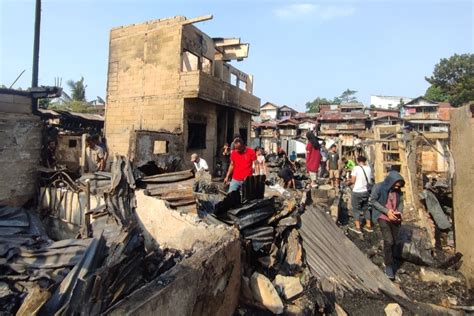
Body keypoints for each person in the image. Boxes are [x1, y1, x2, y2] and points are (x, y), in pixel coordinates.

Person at [370, 171, 405, 280]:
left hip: (394, 218)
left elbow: (400, 203)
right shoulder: (379, 187)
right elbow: (373, 201)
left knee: (394, 241)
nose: (396, 187)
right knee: (389, 240)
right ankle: (388, 265)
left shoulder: (398, 192)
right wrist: (386, 211)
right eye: (395, 184)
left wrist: (399, 212)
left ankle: (391, 257)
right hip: (383, 216)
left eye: (398, 185)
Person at [348, 156, 373, 234]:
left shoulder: (356, 168)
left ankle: (358, 228)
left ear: (357, 161)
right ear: (365, 161)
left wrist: (347, 183)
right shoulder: (368, 168)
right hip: (366, 192)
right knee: (366, 208)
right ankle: (368, 226)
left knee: (356, 209)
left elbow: (353, 180)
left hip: (357, 192)